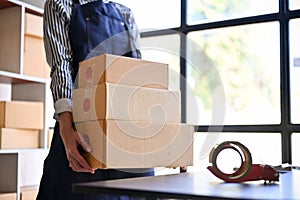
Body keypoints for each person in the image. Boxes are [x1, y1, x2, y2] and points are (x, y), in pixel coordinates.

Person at [36, 0, 154, 199]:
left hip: (127, 133)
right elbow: (61, 66)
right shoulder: (59, 4)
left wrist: (163, 139)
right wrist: (66, 126)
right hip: (82, 132)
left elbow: (136, 78)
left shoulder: (125, 13)